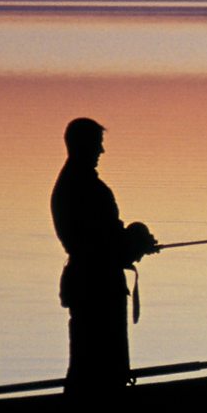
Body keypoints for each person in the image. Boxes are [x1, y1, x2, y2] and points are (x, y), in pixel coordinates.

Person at [52, 118, 158, 395]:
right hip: (97, 287)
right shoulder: (85, 188)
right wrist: (137, 241)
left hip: (88, 283)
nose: (101, 151)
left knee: (89, 364)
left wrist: (134, 242)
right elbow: (104, 245)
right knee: (101, 367)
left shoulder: (74, 184)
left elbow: (105, 241)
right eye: (98, 144)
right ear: (83, 145)